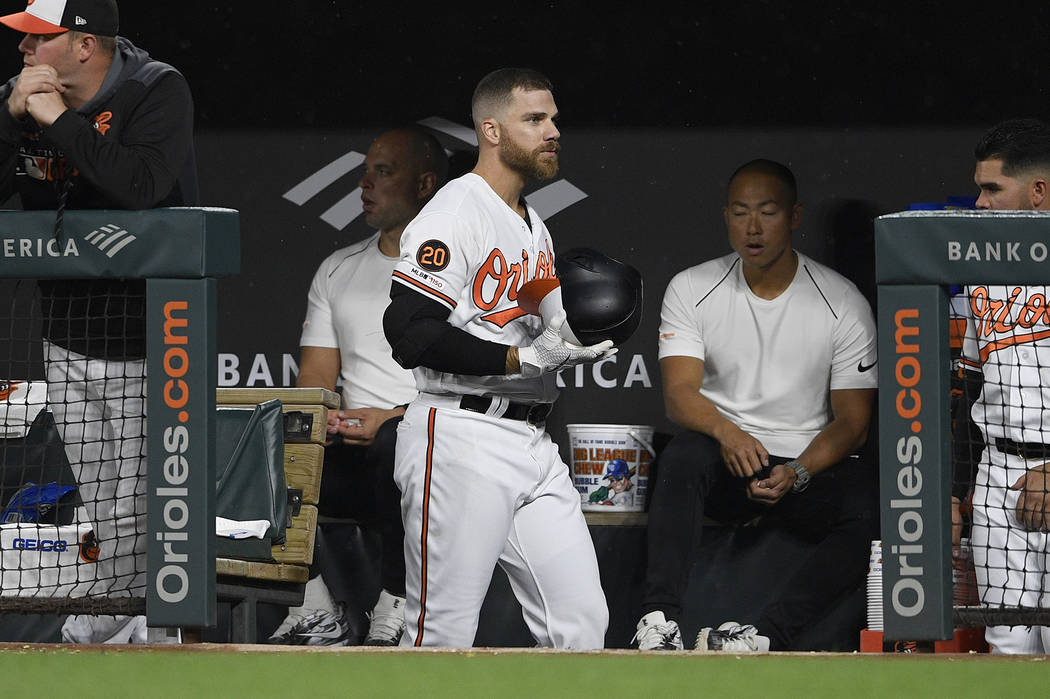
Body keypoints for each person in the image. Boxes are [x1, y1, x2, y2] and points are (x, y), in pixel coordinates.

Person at [382, 67, 614, 648]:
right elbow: (408, 332)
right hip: (461, 436)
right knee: (442, 636)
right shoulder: (454, 211)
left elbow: (535, 327)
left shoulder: (532, 224)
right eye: (534, 120)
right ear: (490, 129)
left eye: (553, 118)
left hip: (532, 443)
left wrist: (570, 341)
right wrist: (522, 361)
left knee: (581, 626)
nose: (551, 131)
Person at [0, 0, 196, 643]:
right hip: (64, 334)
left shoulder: (154, 89)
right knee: (105, 504)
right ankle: (141, 642)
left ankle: (95, 637)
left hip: (151, 340)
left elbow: (139, 186)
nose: (24, 53)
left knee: (133, 510)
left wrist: (55, 119)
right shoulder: (19, 96)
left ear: (84, 46)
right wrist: (9, 124)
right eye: (23, 40)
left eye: (39, 40)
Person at [634, 159, 878, 652]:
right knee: (681, 456)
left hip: (803, 469)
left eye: (767, 212)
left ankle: (765, 636)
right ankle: (657, 623)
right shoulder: (691, 287)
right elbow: (680, 395)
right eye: (740, 212)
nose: (752, 227)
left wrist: (800, 471)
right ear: (725, 216)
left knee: (874, 506)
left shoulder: (842, 300)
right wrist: (728, 433)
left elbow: (853, 423)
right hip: (728, 459)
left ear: (794, 217)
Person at [269, 127, 447, 646]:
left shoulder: (466, 270)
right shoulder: (337, 269)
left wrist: (391, 419)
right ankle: (314, 610)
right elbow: (316, 381)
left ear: (426, 183)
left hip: (433, 454)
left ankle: (398, 605)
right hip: (353, 452)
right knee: (266, 442)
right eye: (364, 172)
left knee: (399, 442)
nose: (364, 184)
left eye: (383, 172)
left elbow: (477, 386)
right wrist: (321, 420)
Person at [955, 117, 1050, 654]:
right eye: (978, 188)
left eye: (993, 189)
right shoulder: (981, 269)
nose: (980, 203)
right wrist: (951, 491)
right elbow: (969, 387)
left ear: (1037, 192)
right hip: (997, 469)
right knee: (1006, 645)